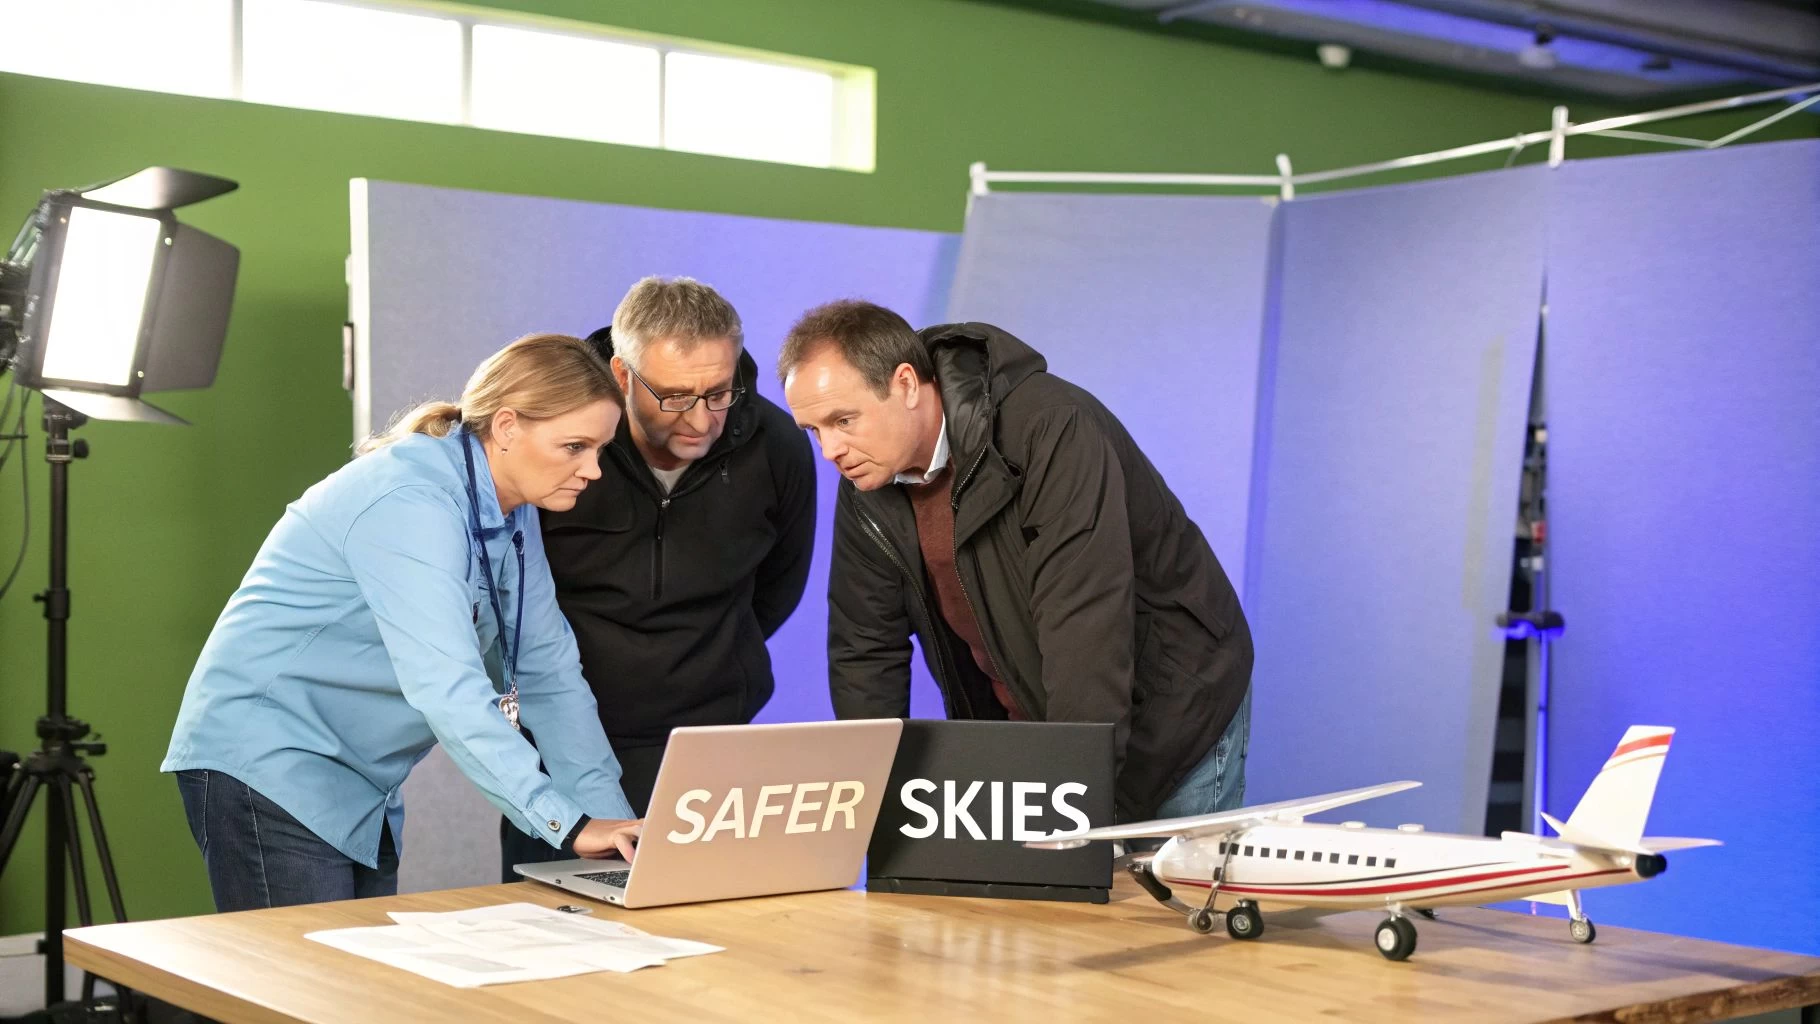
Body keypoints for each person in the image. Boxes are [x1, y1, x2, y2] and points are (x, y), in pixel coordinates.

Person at [163, 333, 643, 911]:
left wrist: (615, 828)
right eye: (575, 446)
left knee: (357, 993)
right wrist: (564, 823)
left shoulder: (514, 511)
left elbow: (550, 674)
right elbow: (447, 688)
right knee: (307, 992)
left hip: (360, 783)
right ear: (509, 426)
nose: (593, 470)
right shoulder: (409, 499)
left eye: (600, 449)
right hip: (270, 765)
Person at [778, 301, 1252, 824]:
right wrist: (871, 805)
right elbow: (865, 648)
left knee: (1161, 902)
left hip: (1169, 712)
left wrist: (1076, 806)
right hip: (1035, 725)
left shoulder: (1050, 428)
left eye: (843, 420)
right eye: (813, 431)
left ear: (907, 384)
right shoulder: (868, 479)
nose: (830, 451)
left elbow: (1085, 628)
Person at [501, 277, 816, 879]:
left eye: (719, 393)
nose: (700, 419)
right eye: (673, 397)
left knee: (707, 942)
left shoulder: (776, 445)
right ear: (621, 376)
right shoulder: (561, 443)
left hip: (710, 746)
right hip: (562, 743)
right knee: (555, 945)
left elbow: (780, 585)